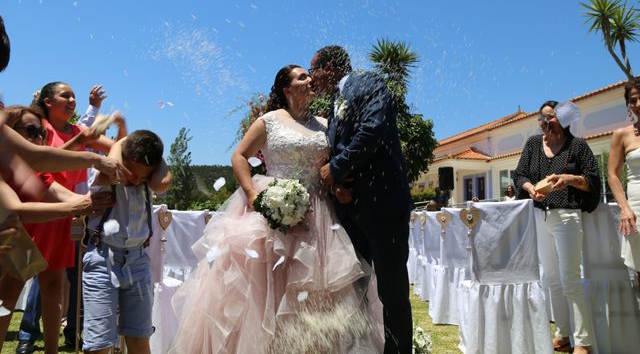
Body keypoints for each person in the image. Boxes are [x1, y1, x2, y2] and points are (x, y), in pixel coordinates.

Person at [169, 65, 383, 353]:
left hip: (319, 215)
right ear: (287, 88)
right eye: (302, 76)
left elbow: (327, 168)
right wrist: (251, 193)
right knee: (265, 291)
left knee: (316, 295)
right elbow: (239, 155)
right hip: (272, 213)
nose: (310, 80)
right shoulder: (269, 121)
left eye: (309, 75)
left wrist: (338, 188)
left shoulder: (324, 124)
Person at [311, 45, 413, 354]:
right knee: (352, 292)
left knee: (392, 293)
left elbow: (372, 131)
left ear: (329, 67)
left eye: (314, 70)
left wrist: (336, 169)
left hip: (384, 209)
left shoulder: (367, 82)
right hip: (351, 212)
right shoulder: (335, 101)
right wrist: (337, 186)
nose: (314, 79)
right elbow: (338, 147)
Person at [0, 106, 113, 353]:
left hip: (30, 231)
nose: (39, 138)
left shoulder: (25, 172)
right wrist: (94, 162)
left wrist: (90, 203)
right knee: (7, 292)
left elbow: (54, 191)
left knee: (48, 287)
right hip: (19, 232)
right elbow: (18, 211)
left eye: (42, 133)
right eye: (30, 131)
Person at [513, 100, 600, 354]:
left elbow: (593, 179)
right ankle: (562, 335)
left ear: (563, 119)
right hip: (541, 217)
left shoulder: (578, 146)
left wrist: (569, 179)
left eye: (550, 117)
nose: (546, 122)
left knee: (570, 279)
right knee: (551, 279)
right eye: (543, 118)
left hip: (568, 217)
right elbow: (520, 175)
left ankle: (583, 341)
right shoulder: (532, 144)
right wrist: (530, 189)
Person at [82, 130, 167, 354]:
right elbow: (110, 173)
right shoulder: (107, 171)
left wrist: (155, 162)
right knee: (99, 343)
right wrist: (122, 142)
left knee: (139, 337)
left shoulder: (151, 177)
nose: (135, 180)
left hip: (138, 260)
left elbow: (160, 183)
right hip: (102, 259)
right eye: (131, 173)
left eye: (143, 177)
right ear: (122, 159)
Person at [607, 76, 640, 278]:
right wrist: (625, 207)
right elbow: (612, 174)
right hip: (637, 208)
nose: (638, 104)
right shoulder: (621, 135)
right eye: (633, 100)